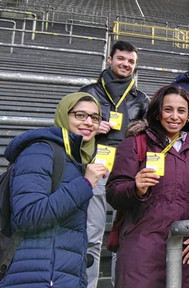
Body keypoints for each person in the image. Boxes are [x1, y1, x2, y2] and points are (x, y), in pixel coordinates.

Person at [0, 92, 108, 287]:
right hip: (35, 278)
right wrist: (84, 185)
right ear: (63, 115)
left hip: (61, 277)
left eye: (95, 117)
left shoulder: (76, 160)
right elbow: (27, 215)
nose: (89, 122)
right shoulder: (40, 151)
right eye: (80, 115)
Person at [106, 85, 189, 287]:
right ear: (157, 112)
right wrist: (135, 189)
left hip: (188, 251)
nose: (174, 116)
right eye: (168, 109)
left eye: (181, 111)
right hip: (142, 249)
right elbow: (113, 193)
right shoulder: (136, 144)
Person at [79, 40, 149, 288]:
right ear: (110, 59)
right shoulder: (89, 92)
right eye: (121, 59)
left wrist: (139, 130)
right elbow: (69, 127)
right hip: (95, 167)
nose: (126, 64)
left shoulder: (140, 99)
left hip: (127, 171)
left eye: (131, 61)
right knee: (92, 236)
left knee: (124, 235)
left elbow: (148, 137)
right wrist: (91, 127)